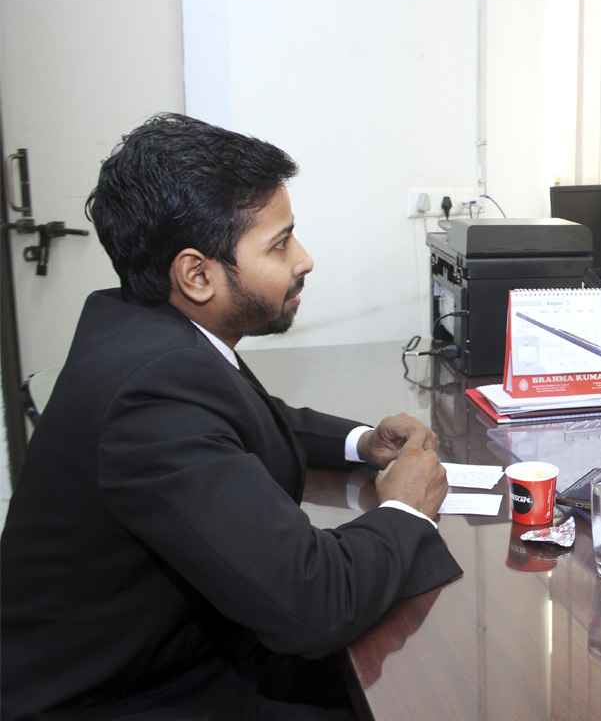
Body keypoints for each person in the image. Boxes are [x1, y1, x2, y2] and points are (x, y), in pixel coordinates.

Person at [0, 114, 463, 720]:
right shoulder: (151, 395)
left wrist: (360, 442)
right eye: (280, 244)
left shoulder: (144, 328)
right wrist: (404, 509)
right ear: (197, 274)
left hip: (179, 649)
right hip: (135, 695)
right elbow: (315, 604)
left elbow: (242, 413)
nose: (305, 259)